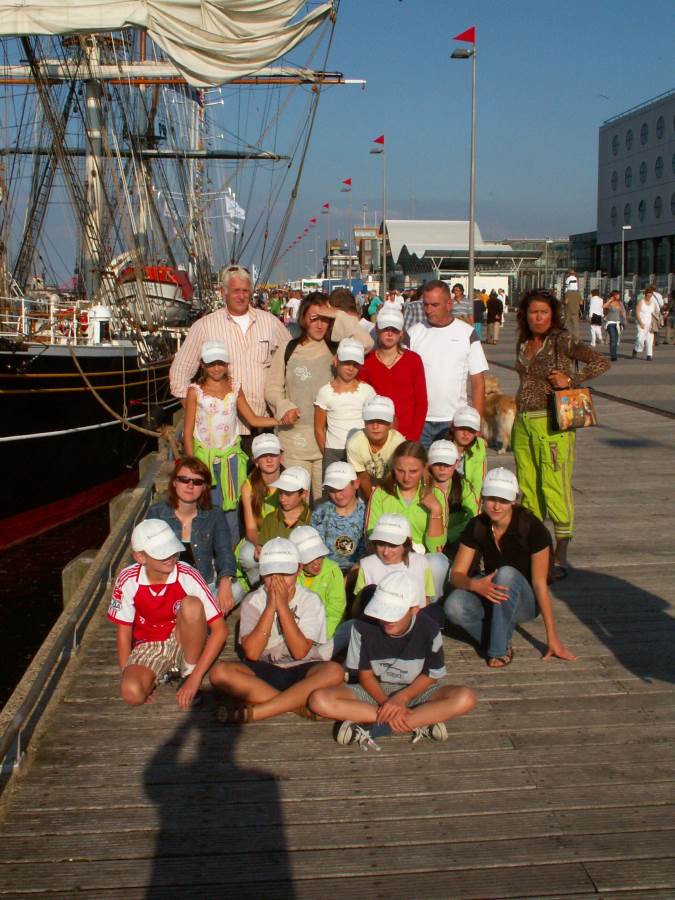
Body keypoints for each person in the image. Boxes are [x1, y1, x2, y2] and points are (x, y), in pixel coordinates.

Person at [308, 571, 476, 749]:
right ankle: (420, 720)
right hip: (373, 690)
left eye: (394, 613)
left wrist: (402, 698)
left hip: (414, 690)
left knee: (466, 697)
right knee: (318, 700)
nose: (387, 619)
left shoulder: (429, 629)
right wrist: (387, 703)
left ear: (414, 609)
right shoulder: (362, 627)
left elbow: (431, 675)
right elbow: (365, 676)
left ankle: (374, 727)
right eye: (382, 610)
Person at [510, 289, 610, 578]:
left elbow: (601, 362)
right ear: (525, 315)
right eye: (533, 312)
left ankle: (561, 552)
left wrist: (572, 379)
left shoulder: (561, 340)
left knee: (555, 485)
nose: (538, 317)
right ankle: (535, 548)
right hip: (523, 422)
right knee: (528, 486)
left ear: (553, 314)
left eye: (544, 312)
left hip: (552, 422)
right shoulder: (524, 342)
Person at [444, 468, 576, 669]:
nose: (496, 506)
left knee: (506, 573)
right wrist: (475, 585)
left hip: (525, 601)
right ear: (483, 497)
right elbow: (456, 575)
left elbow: (540, 584)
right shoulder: (477, 525)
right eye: (491, 498)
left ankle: (498, 650)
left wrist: (553, 638)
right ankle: (498, 638)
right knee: (454, 605)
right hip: (491, 593)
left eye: (504, 500)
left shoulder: (532, 527)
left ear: (514, 500)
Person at [210, 538, 344, 723]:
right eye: (270, 574)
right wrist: (270, 607)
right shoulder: (253, 600)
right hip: (265, 670)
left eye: (285, 573)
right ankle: (297, 707)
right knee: (219, 673)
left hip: (303, 669)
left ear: (298, 569)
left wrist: (282, 607)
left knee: (334, 671)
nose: (277, 580)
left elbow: (299, 652)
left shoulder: (311, 600)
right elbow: (253, 653)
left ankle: (259, 711)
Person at [265, 292, 373, 502]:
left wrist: (336, 314)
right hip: (294, 440)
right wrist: (283, 406)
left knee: (324, 502)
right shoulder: (288, 349)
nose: (320, 325)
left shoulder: (336, 348)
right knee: (296, 502)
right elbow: (272, 388)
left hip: (326, 443)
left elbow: (367, 342)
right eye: (314, 318)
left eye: (325, 319)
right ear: (303, 318)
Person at [108, 519, 227, 709]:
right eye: (162, 553)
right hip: (148, 645)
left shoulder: (187, 574)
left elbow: (220, 630)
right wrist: (128, 675)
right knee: (131, 692)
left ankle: (188, 670)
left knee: (192, 605)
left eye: (172, 549)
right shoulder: (127, 579)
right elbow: (123, 633)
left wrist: (195, 679)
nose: (171, 557)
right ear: (140, 557)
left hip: (184, 638)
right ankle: (161, 672)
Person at [170, 265, 289, 453]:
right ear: (223, 292)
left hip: (264, 425)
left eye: (245, 291)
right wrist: (199, 413)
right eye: (236, 291)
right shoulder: (205, 326)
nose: (241, 296)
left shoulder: (270, 323)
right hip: (223, 433)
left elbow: (291, 360)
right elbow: (179, 375)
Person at [183, 341, 277, 543]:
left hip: (231, 457)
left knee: (232, 505)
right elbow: (188, 431)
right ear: (203, 365)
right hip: (205, 459)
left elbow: (252, 419)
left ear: (227, 364)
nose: (216, 368)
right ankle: (210, 550)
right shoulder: (195, 391)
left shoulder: (235, 387)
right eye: (211, 364)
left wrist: (279, 421)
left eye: (221, 363)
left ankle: (232, 551)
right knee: (209, 505)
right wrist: (191, 464)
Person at [148, 457, 237, 614]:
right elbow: (145, 553)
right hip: (166, 586)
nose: (190, 486)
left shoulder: (214, 514)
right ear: (174, 482)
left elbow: (224, 551)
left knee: (232, 593)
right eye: (184, 479)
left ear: (204, 487)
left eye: (197, 482)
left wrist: (225, 581)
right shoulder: (157, 513)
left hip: (203, 586)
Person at [407, 280, 488, 448]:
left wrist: (477, 423)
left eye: (435, 305)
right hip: (419, 421)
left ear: (449, 304)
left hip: (454, 421)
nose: (428, 310)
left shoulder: (467, 333)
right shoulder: (413, 334)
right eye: (425, 305)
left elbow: (478, 381)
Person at [365, 441, 448, 599]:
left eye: (413, 471)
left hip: (423, 557)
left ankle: (429, 608)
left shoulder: (437, 494)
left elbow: (436, 547)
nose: (406, 477)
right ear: (393, 468)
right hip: (389, 554)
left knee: (438, 562)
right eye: (400, 471)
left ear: (425, 468)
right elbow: (371, 535)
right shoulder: (381, 493)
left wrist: (436, 510)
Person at [359, 306, 428, 441]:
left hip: (406, 435)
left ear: (401, 332)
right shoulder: (367, 361)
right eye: (385, 329)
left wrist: (413, 437)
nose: (390, 334)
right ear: (377, 330)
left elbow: (421, 403)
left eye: (394, 330)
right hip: (376, 436)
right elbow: (361, 400)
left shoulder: (413, 360)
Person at [313, 337, 376, 473]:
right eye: (346, 363)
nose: (351, 368)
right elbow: (319, 428)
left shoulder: (367, 391)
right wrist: (327, 453)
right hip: (334, 452)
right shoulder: (325, 392)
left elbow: (372, 423)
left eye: (355, 364)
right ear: (336, 360)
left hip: (361, 450)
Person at [353, 514, 436, 612]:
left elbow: (426, 599)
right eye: (381, 544)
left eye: (393, 545)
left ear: (407, 543)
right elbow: (358, 606)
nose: (386, 552)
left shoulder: (421, 563)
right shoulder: (367, 565)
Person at [236, 432, 284, 592]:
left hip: (283, 537)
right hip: (258, 536)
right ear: (255, 461)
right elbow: (250, 528)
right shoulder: (248, 486)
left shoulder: (291, 481)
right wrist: (260, 544)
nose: (269, 459)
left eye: (273, 454)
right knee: (248, 556)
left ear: (281, 457)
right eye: (263, 456)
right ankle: (260, 589)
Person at [290, 526, 346, 638]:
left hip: (326, 632)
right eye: (310, 558)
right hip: (294, 631)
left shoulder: (333, 571)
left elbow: (336, 611)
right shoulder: (289, 574)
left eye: (319, 556)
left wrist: (320, 636)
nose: (317, 562)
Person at [311, 461, 366, 573]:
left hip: (358, 571)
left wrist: (353, 573)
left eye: (341, 489)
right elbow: (316, 547)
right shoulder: (321, 512)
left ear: (356, 484)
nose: (337, 495)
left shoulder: (366, 512)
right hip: (327, 571)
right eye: (331, 490)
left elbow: (366, 550)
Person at [346, 394, 405, 499]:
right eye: (370, 420)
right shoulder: (354, 443)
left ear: (390, 423)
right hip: (367, 491)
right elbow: (362, 477)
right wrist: (372, 501)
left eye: (381, 421)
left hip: (393, 488)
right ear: (364, 421)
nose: (375, 426)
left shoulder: (399, 443)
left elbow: (399, 476)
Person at [258, 467, 312, 545]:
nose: (282, 499)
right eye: (280, 492)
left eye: (288, 494)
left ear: (303, 494)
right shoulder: (269, 519)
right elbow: (262, 547)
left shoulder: (314, 520)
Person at [632, 288, 659, 361]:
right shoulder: (641, 302)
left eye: (650, 295)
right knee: (640, 338)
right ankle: (636, 349)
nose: (649, 297)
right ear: (645, 294)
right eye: (648, 295)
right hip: (641, 324)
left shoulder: (653, 303)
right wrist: (641, 323)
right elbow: (637, 313)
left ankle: (649, 355)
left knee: (650, 340)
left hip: (650, 324)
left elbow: (656, 313)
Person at [602, 290, 626, 361]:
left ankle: (614, 353)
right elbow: (603, 306)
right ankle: (613, 356)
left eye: (619, 295)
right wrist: (610, 300)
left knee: (615, 340)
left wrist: (624, 320)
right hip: (610, 323)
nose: (618, 296)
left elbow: (623, 312)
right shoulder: (610, 303)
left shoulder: (620, 303)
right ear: (613, 296)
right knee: (613, 339)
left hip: (618, 323)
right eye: (617, 295)